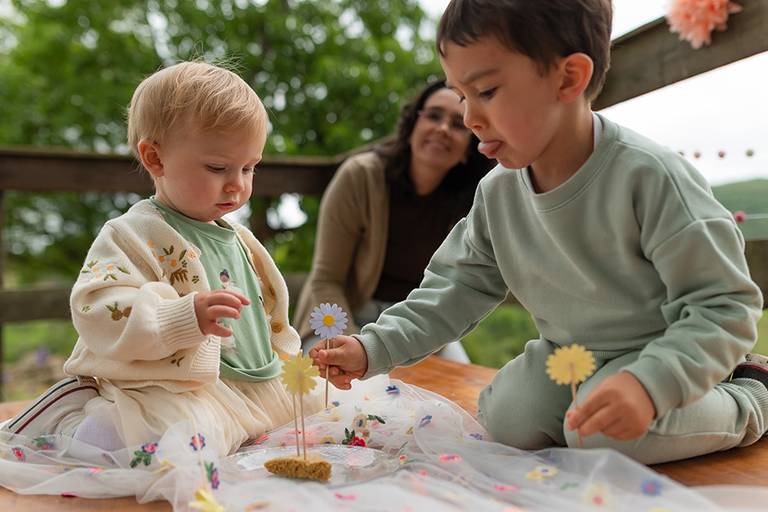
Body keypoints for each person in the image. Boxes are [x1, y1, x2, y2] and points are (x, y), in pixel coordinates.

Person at [312, 0, 768, 465]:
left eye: (485, 90)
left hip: (663, 352)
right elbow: (454, 288)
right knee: (507, 420)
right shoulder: (498, 193)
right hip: (568, 355)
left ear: (568, 78)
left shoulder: (649, 177)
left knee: (609, 438)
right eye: (461, 93)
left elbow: (724, 306)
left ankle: (753, 392)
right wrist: (374, 346)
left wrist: (650, 384)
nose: (469, 117)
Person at [1, 61, 319, 456]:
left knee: (316, 408)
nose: (238, 183)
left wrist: (289, 355)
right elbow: (96, 306)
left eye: (250, 167)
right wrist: (183, 318)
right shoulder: (131, 233)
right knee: (173, 441)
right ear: (155, 158)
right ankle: (72, 420)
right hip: (176, 386)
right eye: (218, 167)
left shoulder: (242, 239)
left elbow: (266, 317)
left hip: (250, 384)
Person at [293, 80, 494, 363]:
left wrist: (422, 343)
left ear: (469, 148)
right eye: (433, 116)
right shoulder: (360, 177)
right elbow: (326, 280)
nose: (443, 129)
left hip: (416, 322)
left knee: (461, 388)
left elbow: (457, 291)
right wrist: (347, 344)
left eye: (459, 124)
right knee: (335, 393)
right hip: (344, 314)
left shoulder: (475, 199)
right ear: (412, 124)